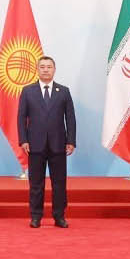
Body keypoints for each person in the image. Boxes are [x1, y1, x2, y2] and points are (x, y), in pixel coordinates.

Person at [17, 55, 76, 228]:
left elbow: (70, 118)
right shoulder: (28, 91)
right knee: (36, 184)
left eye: (49, 67)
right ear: (37, 69)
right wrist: (23, 140)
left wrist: (71, 140)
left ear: (54, 70)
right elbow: (21, 118)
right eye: (42, 67)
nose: (45, 70)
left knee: (59, 183)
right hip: (35, 145)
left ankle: (59, 216)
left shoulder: (63, 91)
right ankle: (36, 216)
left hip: (58, 144)